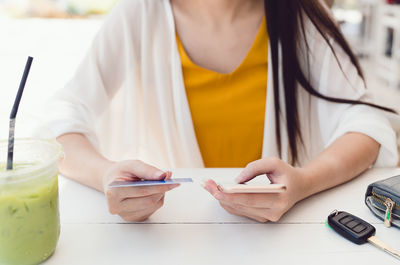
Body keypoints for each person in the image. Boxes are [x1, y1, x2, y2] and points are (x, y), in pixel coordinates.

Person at [47, 0, 399, 223]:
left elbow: (367, 123)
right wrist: (105, 174)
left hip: (282, 237)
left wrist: (304, 182)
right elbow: (61, 119)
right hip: (171, 233)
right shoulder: (139, 14)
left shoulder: (301, 13)